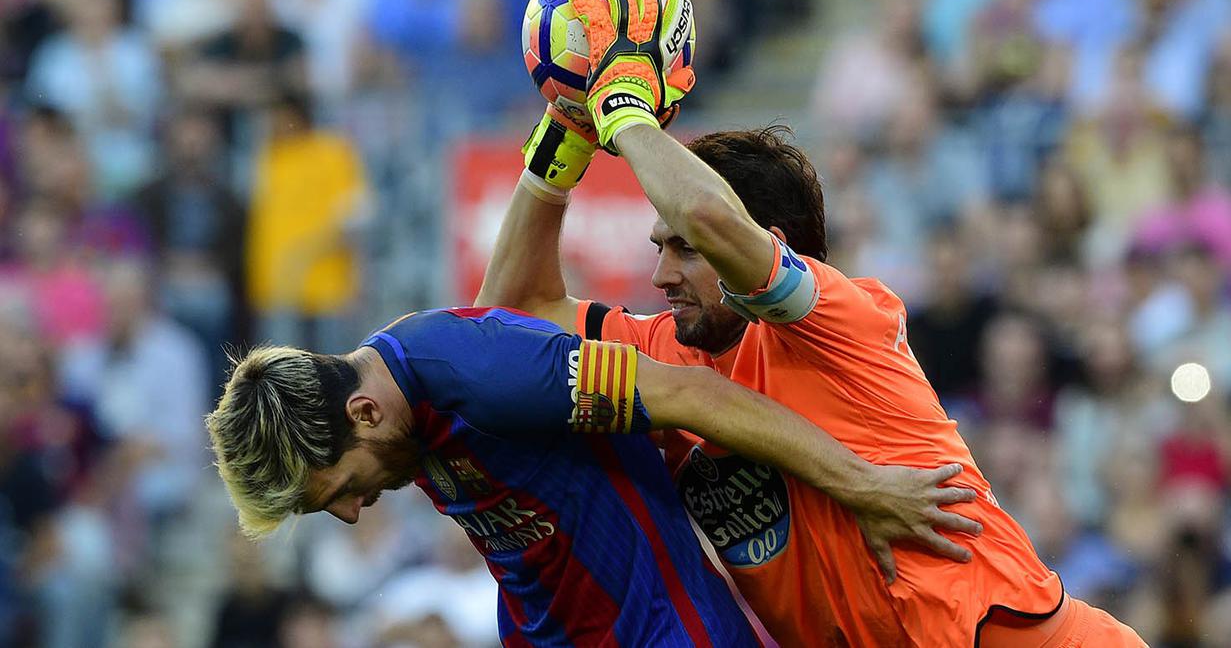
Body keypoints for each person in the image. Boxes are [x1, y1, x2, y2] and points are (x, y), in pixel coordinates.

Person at [477, 0, 1146, 646]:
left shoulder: (839, 315)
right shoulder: (664, 350)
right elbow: (499, 320)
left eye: (682, 250)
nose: (661, 274)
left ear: (763, 244)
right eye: (659, 247)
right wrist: (559, 142)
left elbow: (710, 216)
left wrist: (620, 106)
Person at [206, 305, 980, 646]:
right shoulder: (406, 402)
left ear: (364, 414)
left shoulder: (480, 372)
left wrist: (863, 484)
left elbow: (692, 394)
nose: (349, 514)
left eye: (336, 489)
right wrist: (552, 154)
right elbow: (507, 298)